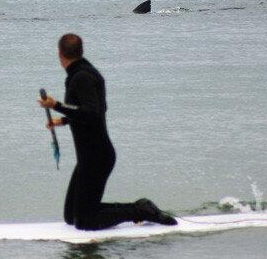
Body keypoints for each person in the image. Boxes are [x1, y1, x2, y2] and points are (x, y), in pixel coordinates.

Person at [38, 33, 177, 231]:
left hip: (96, 158)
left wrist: (56, 105)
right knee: (72, 216)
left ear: (60, 54)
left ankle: (141, 210)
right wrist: (64, 120)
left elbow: (92, 114)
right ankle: (137, 208)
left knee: (84, 222)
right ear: (81, 51)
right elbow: (92, 111)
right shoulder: (87, 73)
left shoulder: (82, 77)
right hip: (90, 157)